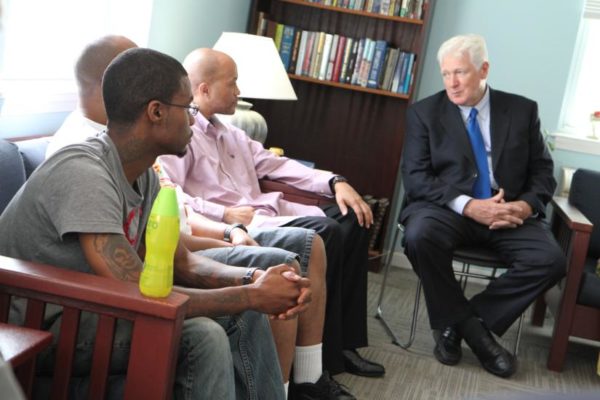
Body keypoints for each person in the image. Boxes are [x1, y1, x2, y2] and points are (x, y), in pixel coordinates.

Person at [45, 36, 354, 399]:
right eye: (187, 108)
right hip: (53, 316)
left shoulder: (143, 175)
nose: (195, 120)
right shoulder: (86, 168)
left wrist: (251, 278)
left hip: (102, 304)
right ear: (156, 112)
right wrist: (250, 295)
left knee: (244, 306)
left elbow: (182, 260)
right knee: (208, 332)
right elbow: (137, 292)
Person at [158, 48, 386, 378]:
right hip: (241, 224)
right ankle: (321, 362)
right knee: (329, 234)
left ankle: (344, 343)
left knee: (353, 218)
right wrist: (224, 214)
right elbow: (173, 195)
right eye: (233, 83)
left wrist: (336, 181)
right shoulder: (182, 135)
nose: (239, 91)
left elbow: (278, 165)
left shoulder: (233, 134)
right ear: (204, 89)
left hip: (273, 210)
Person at [400, 34, 566, 378]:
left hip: (508, 211)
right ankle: (478, 336)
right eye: (445, 74)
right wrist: (469, 205)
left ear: (484, 69)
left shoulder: (522, 110)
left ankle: (461, 323)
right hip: (447, 210)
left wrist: (523, 207)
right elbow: (416, 177)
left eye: (459, 72)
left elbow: (543, 172)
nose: (452, 82)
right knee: (419, 237)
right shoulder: (424, 113)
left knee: (550, 261)